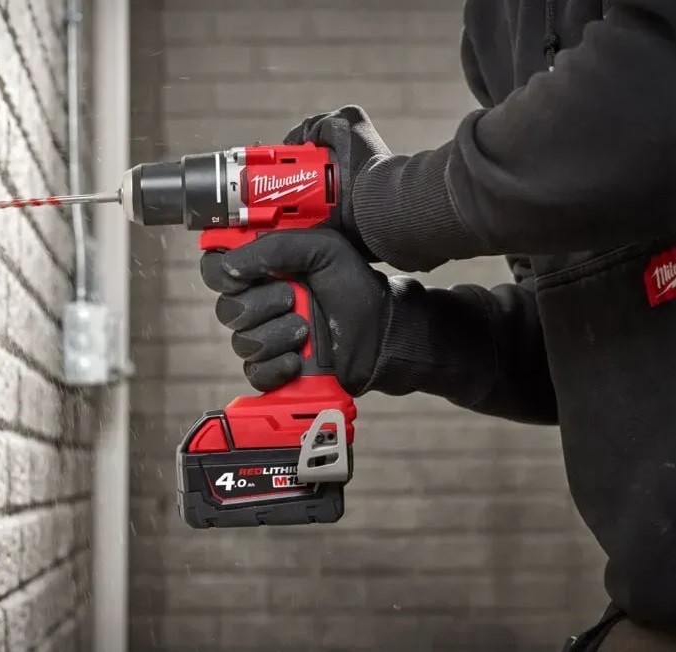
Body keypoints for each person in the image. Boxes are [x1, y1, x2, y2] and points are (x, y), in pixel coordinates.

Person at [198, 0, 676, 650]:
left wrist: (384, 202)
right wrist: (401, 328)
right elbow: (588, 341)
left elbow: (651, 88)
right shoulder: (493, 26)